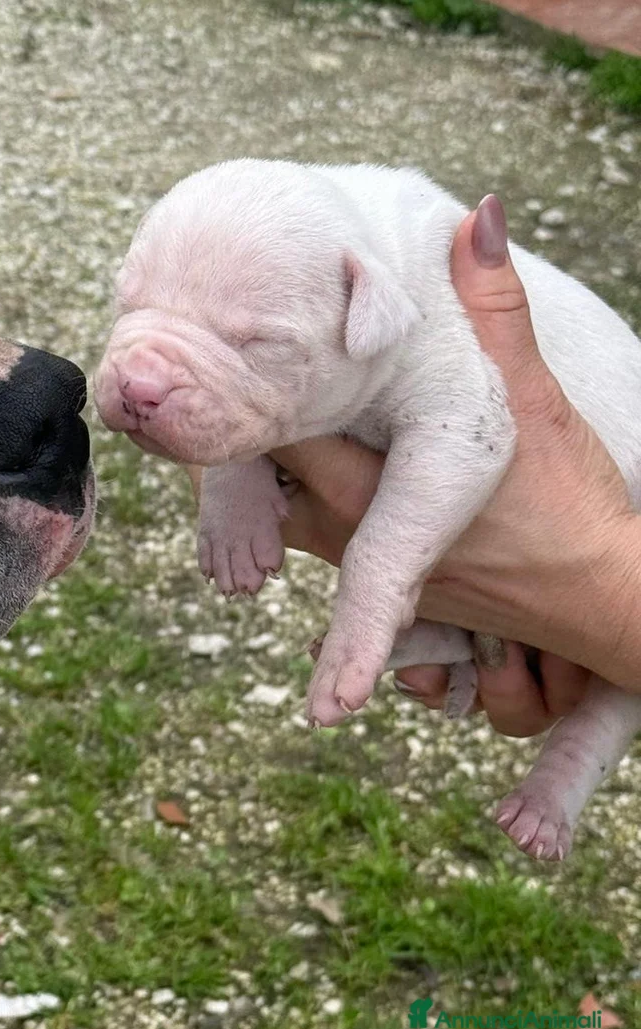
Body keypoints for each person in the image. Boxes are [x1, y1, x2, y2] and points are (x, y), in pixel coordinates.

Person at [269, 195, 641, 738]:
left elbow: (472, 434)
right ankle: (469, 639)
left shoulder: (394, 293)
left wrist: (599, 599)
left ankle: (468, 638)